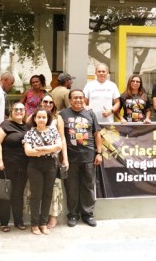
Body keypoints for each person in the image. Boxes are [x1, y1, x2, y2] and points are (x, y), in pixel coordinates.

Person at [61, 89, 103, 227]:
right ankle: (73, 215)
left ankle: (88, 215)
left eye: (81, 97)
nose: (78, 100)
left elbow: (97, 134)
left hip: (88, 156)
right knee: (71, 188)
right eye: (75, 98)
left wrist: (99, 153)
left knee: (88, 187)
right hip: (71, 158)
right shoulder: (63, 114)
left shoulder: (90, 114)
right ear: (70, 100)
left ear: (84, 99)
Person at [23, 108, 62, 235]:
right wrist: (49, 149)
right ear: (34, 119)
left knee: (47, 195)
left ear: (47, 119)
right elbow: (28, 152)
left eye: (44, 117)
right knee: (36, 195)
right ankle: (34, 224)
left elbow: (58, 146)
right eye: (38, 117)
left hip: (50, 165)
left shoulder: (53, 131)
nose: (41, 119)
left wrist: (40, 149)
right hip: (34, 166)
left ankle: (43, 223)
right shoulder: (29, 133)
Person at [0, 102, 29, 232]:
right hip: (6, 165)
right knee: (5, 194)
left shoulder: (27, 126)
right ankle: (4, 223)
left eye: (21, 109)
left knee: (18, 194)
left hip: (23, 166)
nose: (19, 111)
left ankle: (18, 221)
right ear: (11, 112)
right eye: (16, 109)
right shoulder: (5, 125)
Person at [36, 94, 68, 229]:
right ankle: (38, 217)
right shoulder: (34, 116)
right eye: (45, 102)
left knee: (53, 189)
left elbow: (62, 139)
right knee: (38, 190)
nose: (48, 104)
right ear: (41, 103)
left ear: (53, 104)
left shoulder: (57, 118)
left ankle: (53, 216)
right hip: (36, 159)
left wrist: (65, 158)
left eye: (50, 102)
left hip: (53, 160)